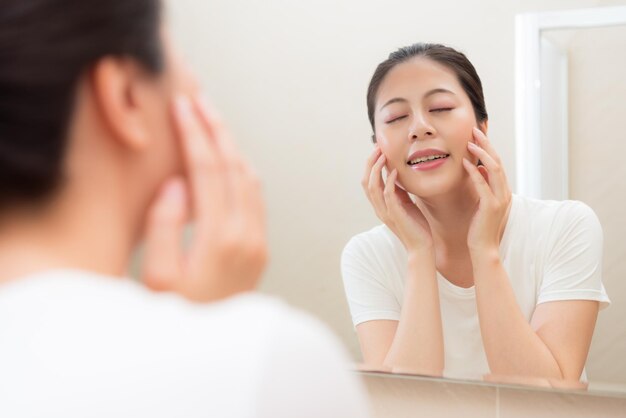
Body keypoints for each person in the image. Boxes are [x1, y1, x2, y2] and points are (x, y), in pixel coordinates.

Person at [0, 1, 370, 417]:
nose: (197, 88)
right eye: (185, 63)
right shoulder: (278, 364)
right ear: (125, 97)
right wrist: (220, 347)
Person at [341, 43, 610, 381]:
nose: (419, 127)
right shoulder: (367, 255)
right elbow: (406, 405)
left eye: (440, 108)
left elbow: (546, 400)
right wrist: (419, 253)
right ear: (378, 148)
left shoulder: (566, 227)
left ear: (482, 126)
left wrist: (484, 250)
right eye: (396, 117)